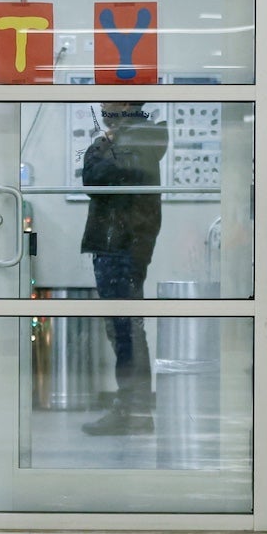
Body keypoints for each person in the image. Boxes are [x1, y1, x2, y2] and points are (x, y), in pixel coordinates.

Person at [79, 101, 168, 436]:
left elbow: (95, 176)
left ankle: (134, 409)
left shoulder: (138, 136)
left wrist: (102, 142)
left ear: (128, 102)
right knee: (124, 328)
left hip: (121, 243)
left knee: (126, 329)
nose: (102, 105)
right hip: (118, 242)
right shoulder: (133, 136)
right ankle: (132, 407)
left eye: (109, 99)